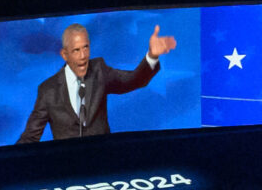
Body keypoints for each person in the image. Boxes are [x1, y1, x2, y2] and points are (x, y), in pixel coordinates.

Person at [16, 22, 178, 142]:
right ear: (65, 54)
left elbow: (134, 80)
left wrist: (152, 56)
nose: (82, 56)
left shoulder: (99, 72)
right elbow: (31, 135)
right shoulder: (48, 89)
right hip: (66, 166)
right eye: (76, 50)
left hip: (104, 160)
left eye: (86, 48)